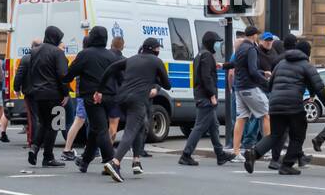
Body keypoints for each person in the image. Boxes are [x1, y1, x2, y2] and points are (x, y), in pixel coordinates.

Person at [243, 39, 325, 175]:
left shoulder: (281, 63)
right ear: (308, 53)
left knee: (275, 135)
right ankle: (287, 165)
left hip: (275, 104)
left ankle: (254, 153)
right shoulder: (306, 65)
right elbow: (319, 87)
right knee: (298, 135)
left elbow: (269, 85)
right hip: (293, 105)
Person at [98, 37, 170, 182]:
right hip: (137, 100)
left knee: (140, 125)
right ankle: (115, 162)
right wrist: (155, 80)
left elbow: (111, 69)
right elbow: (167, 85)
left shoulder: (131, 59)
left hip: (121, 98)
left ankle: (136, 160)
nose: (159, 51)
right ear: (154, 49)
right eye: (158, 48)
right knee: (130, 130)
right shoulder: (156, 61)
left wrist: (100, 89)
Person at [65, 26, 121, 173]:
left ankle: (112, 162)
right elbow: (120, 77)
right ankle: (85, 161)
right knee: (95, 130)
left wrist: (62, 78)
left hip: (92, 97)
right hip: (110, 96)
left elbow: (70, 74)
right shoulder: (111, 56)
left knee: (100, 129)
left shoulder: (85, 54)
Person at [180, 30, 232, 166]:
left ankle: (220, 155)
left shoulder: (199, 55)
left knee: (214, 126)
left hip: (200, 95)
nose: (216, 46)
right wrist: (212, 95)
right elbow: (206, 77)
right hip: (205, 97)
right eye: (215, 43)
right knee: (199, 127)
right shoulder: (207, 56)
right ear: (210, 43)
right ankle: (186, 154)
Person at [23, 26, 70, 167]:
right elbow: (63, 75)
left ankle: (35, 147)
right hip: (54, 94)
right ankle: (48, 157)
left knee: (43, 123)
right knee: (55, 125)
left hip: (37, 94)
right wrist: (66, 93)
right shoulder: (58, 53)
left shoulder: (35, 51)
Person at [230, 27, 271, 160]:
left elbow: (235, 65)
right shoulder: (251, 49)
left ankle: (236, 152)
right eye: (257, 35)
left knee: (241, 118)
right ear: (254, 36)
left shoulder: (240, 48)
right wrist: (266, 83)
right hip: (250, 87)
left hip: (239, 88)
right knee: (265, 115)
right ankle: (267, 149)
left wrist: (222, 65)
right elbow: (253, 71)